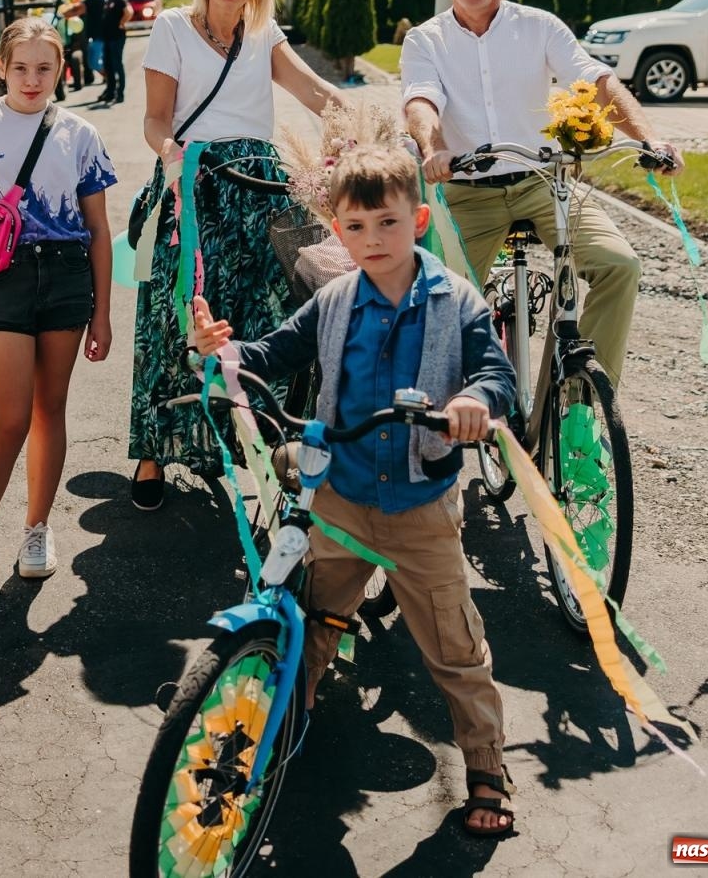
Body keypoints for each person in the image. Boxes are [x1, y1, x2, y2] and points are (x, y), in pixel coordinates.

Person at [189, 143, 519, 837]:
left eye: (389, 224)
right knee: (307, 623)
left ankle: (486, 765)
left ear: (420, 220)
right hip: (338, 498)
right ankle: (277, 726)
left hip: (419, 506)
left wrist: (475, 403)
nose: (373, 240)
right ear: (337, 230)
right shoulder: (334, 299)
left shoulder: (456, 300)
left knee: (454, 645)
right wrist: (223, 352)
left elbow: (498, 375)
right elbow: (273, 352)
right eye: (358, 227)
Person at [402, 0, 684, 394]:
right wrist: (435, 147)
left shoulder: (540, 27)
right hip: (466, 190)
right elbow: (422, 99)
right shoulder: (425, 40)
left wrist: (647, 139)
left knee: (621, 266)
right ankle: (467, 406)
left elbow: (595, 80)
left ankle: (580, 406)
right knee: (434, 303)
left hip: (543, 182)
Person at [128, 0, 347, 510]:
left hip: (261, 184)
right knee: (180, 310)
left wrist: (363, 126)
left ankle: (261, 437)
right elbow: (155, 120)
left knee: (278, 308)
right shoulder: (173, 28)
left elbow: (311, 89)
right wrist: (172, 156)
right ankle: (154, 452)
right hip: (195, 184)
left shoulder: (262, 32)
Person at [0, 17, 117, 596]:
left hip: (66, 278)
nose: (32, 79)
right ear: (0, 68)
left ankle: (37, 529)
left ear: (60, 70)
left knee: (49, 410)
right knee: (9, 420)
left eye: (44, 68)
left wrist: (103, 312)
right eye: (20, 68)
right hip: (3, 279)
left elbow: (100, 230)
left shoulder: (80, 134)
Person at [97, 0, 131, 105]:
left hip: (117, 37)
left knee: (117, 64)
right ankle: (110, 92)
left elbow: (129, 12)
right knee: (108, 65)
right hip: (108, 37)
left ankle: (120, 93)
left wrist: (122, 23)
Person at [82, 0, 107, 79]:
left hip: (98, 35)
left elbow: (80, 8)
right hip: (99, 34)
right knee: (97, 61)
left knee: (93, 62)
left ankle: (111, 79)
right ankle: (110, 80)